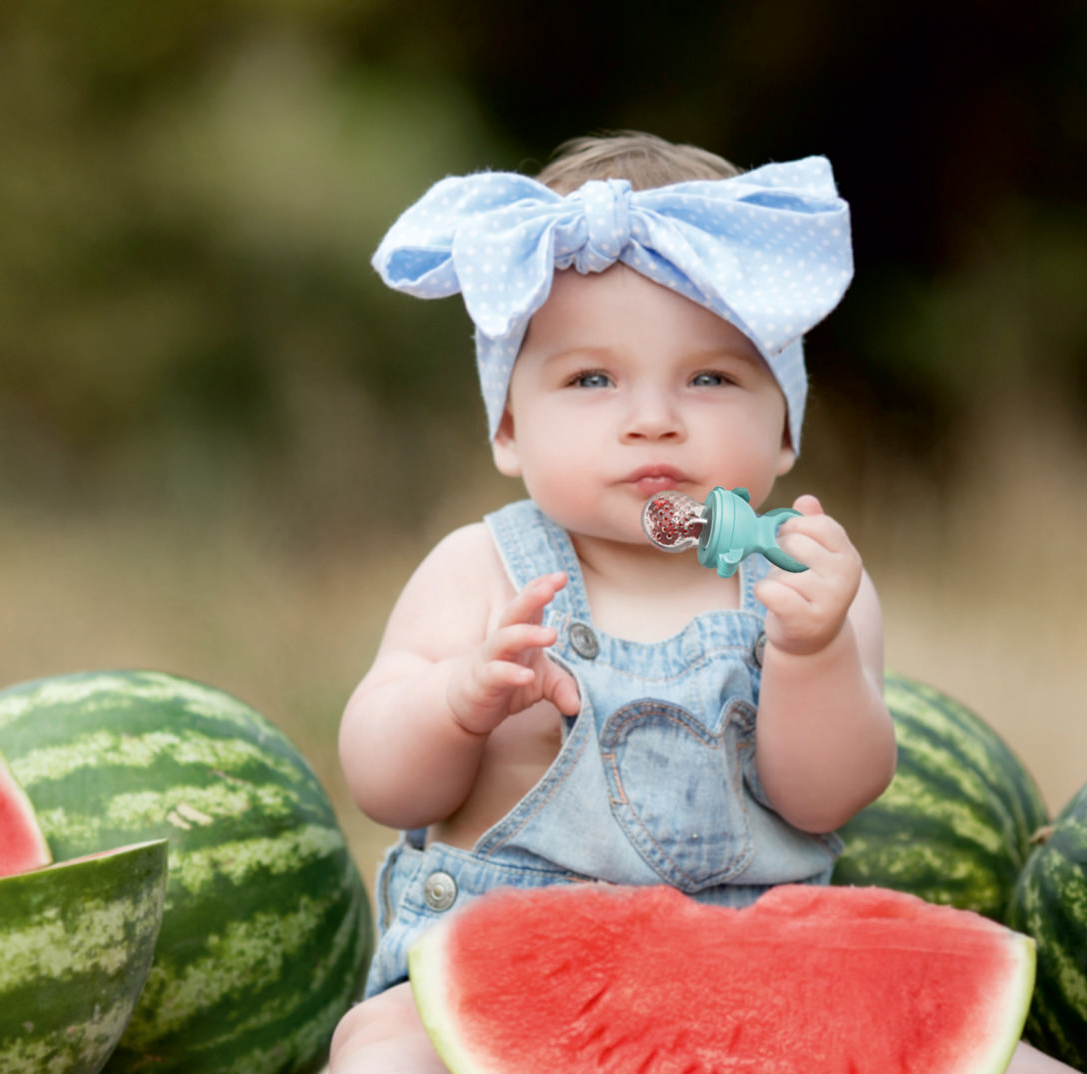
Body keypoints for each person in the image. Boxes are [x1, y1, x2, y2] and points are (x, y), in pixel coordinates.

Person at [329, 132, 1069, 1074]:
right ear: (509, 427)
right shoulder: (481, 568)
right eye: (592, 379)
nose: (653, 417)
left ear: (785, 428)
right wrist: (455, 704)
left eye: (711, 378)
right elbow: (384, 783)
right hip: (513, 982)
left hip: (765, 991)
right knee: (385, 1053)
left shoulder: (804, 583)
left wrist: (811, 653)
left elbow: (828, 795)